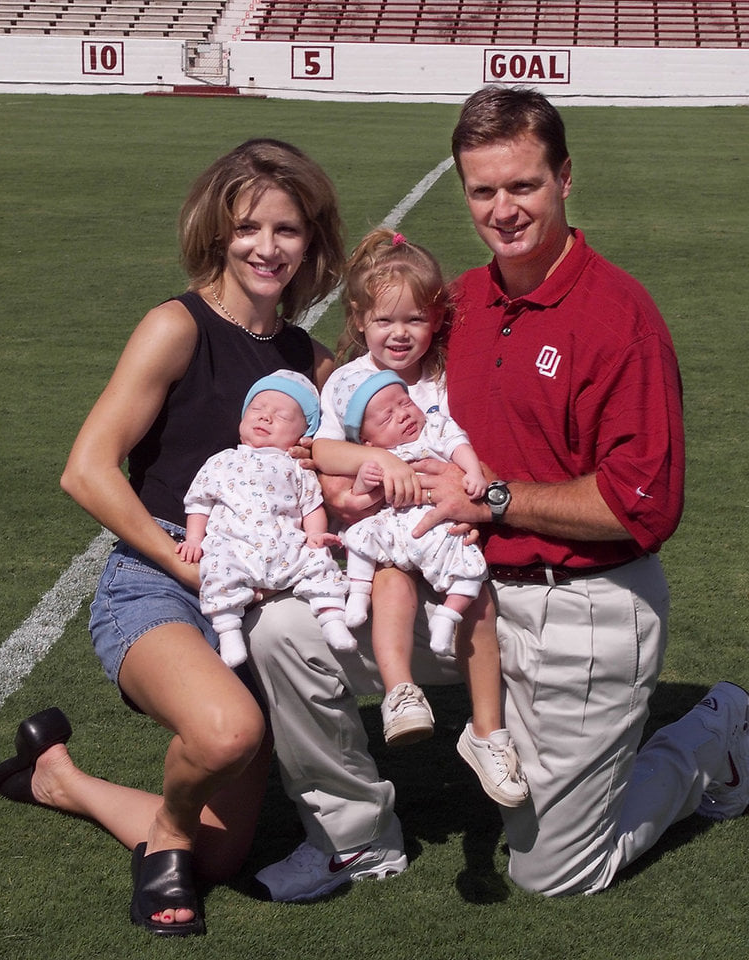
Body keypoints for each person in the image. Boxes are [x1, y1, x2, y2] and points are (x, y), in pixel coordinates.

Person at [244, 86, 747, 904]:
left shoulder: (622, 320)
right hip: (459, 585)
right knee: (284, 631)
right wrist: (350, 468)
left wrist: (496, 500)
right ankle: (355, 838)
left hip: (579, 604)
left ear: (565, 178)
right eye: (483, 190)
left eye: (523, 185)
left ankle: (711, 739)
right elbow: (385, 370)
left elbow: (643, 505)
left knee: (555, 873)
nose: (503, 209)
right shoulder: (466, 303)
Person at [0, 138, 355, 934]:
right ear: (218, 232)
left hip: (261, 586)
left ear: (312, 240)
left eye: (289, 230)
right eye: (250, 228)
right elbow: (86, 470)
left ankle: (59, 778)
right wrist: (185, 565)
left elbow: (339, 475)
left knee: (221, 859)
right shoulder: (176, 325)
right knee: (229, 731)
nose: (268, 248)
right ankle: (165, 838)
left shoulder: (314, 362)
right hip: (160, 574)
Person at [320, 367, 529, 807]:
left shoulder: (436, 420)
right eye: (388, 414)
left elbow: (465, 452)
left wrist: (475, 487)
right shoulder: (350, 397)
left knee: (477, 598)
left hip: (444, 531)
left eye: (405, 405)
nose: (403, 415)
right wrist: (372, 475)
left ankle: (488, 732)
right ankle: (400, 694)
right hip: (397, 538)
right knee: (388, 585)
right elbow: (336, 471)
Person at [178, 369, 354, 668]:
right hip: (235, 546)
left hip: (287, 546)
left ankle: (331, 617)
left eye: (282, 416)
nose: (265, 417)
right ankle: (229, 631)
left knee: (319, 563)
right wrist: (194, 537)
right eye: (257, 410)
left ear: (303, 435)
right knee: (217, 568)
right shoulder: (221, 461)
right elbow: (199, 502)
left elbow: (311, 505)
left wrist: (314, 535)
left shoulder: (297, 467)